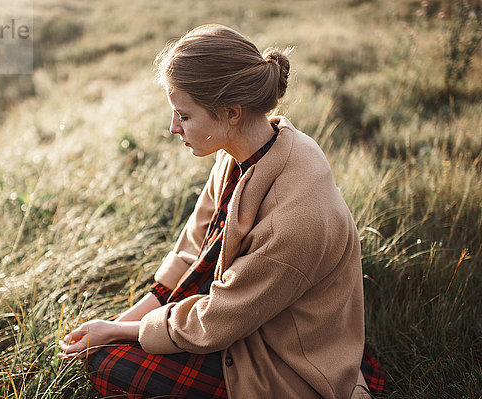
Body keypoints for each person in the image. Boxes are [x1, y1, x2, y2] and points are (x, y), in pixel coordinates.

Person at [58, 24, 384, 398]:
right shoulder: (246, 152)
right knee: (102, 351)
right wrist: (115, 322)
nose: (172, 128)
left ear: (231, 112)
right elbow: (191, 253)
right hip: (248, 322)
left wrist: (119, 333)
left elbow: (218, 321)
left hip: (284, 364)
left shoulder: (292, 221)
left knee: (108, 365)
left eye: (184, 115)